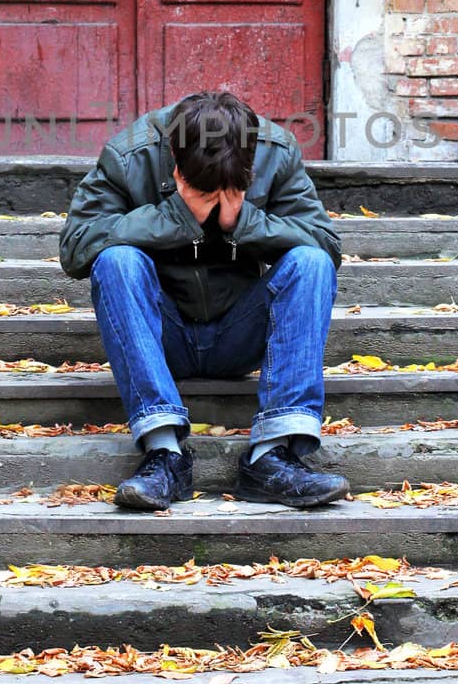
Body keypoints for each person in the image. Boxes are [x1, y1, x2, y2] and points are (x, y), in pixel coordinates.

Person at [59, 90, 349, 511]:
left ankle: (274, 454)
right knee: (117, 260)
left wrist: (243, 220)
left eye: (228, 190)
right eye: (204, 191)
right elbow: (76, 247)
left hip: (241, 333)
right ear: (175, 166)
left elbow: (326, 244)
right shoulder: (130, 154)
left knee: (311, 262)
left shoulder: (277, 151)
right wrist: (177, 215)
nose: (215, 202)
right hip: (163, 335)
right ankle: (164, 453)